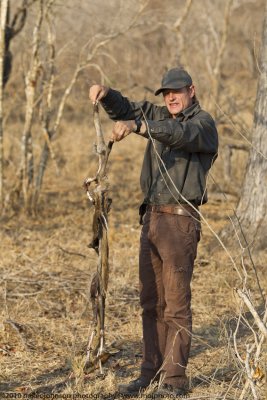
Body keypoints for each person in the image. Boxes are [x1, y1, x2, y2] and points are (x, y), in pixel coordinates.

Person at [89, 68, 218, 396]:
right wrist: (106, 94)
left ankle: (174, 381)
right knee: (150, 302)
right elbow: (128, 109)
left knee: (176, 305)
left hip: (180, 222)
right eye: (165, 93)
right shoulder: (160, 114)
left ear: (192, 90)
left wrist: (141, 127)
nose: (170, 97)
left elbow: (180, 135)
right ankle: (150, 373)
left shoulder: (203, 125)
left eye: (176, 91)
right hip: (151, 220)